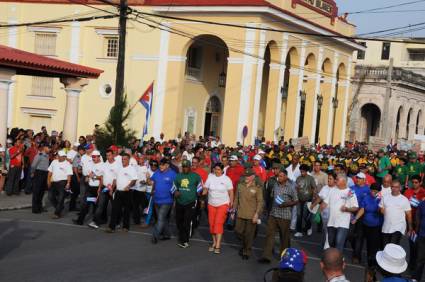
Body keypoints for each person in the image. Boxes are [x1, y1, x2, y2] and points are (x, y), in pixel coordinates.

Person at [258, 169, 298, 264]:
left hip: (285, 216)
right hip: (273, 214)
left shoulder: (291, 187)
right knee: (269, 235)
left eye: (280, 176)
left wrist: (286, 204)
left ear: (285, 177)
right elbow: (272, 197)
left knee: (284, 238)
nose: (278, 178)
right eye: (278, 176)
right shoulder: (275, 185)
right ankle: (266, 256)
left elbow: (296, 200)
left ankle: (285, 257)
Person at [233, 167, 263, 260]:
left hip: (251, 215)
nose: (246, 177)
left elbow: (260, 202)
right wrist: (233, 210)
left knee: (249, 235)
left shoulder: (257, 187)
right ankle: (245, 244)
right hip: (240, 213)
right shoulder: (240, 185)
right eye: (245, 175)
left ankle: (246, 251)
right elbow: (236, 199)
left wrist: (257, 214)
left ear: (253, 177)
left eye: (248, 176)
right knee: (238, 231)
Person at [322, 174, 359, 252]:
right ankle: (335, 257)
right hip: (331, 222)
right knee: (331, 242)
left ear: (344, 181)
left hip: (343, 223)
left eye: (337, 179)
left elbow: (356, 207)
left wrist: (347, 209)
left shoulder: (350, 192)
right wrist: (320, 210)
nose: (335, 180)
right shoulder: (332, 189)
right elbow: (325, 202)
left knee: (339, 242)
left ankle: (338, 260)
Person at [203, 162, 233, 254]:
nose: (216, 171)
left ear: (222, 170)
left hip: (223, 204)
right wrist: (202, 192)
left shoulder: (226, 179)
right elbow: (205, 189)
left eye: (218, 169)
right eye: (215, 169)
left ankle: (218, 245)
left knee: (218, 223)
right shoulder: (210, 177)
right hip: (211, 204)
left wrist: (231, 204)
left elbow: (231, 192)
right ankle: (214, 242)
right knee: (212, 224)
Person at [352, 183, 383, 270]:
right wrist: (356, 218)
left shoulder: (381, 199)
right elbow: (362, 209)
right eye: (372, 190)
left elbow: (380, 211)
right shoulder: (366, 197)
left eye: (376, 191)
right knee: (358, 239)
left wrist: (378, 201)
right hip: (364, 223)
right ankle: (357, 256)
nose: (373, 192)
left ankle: (371, 263)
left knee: (372, 245)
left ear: (379, 192)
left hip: (375, 226)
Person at [173, 160, 201, 248]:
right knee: (178, 221)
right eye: (183, 167)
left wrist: (201, 199)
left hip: (191, 202)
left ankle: (184, 240)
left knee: (186, 221)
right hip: (179, 202)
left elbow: (200, 189)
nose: (184, 168)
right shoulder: (178, 176)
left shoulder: (196, 176)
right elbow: (173, 187)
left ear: (190, 167)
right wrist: (175, 192)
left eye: (186, 167)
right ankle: (182, 235)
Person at [106, 153, 137, 233]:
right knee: (115, 209)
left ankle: (125, 227)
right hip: (118, 192)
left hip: (127, 192)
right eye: (122, 159)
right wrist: (112, 189)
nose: (123, 160)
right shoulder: (119, 168)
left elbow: (134, 180)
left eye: (125, 159)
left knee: (126, 210)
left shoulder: (131, 169)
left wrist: (129, 186)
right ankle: (111, 227)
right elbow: (115, 179)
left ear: (129, 160)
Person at [73, 150, 104, 227]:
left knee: (96, 206)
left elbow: (102, 178)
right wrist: (87, 177)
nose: (93, 158)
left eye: (94, 157)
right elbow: (89, 174)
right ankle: (80, 221)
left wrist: (99, 187)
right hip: (90, 188)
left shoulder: (103, 165)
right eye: (92, 157)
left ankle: (96, 221)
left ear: (99, 157)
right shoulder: (92, 164)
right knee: (85, 204)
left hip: (97, 188)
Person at [150, 158, 177, 243]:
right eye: (160, 165)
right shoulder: (157, 172)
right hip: (156, 200)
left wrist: (175, 199)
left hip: (167, 201)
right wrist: (151, 188)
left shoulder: (173, 174)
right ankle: (167, 234)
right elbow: (153, 181)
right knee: (162, 219)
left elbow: (176, 186)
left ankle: (155, 235)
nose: (160, 166)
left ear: (167, 165)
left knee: (160, 218)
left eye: (162, 165)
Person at [380, 180, 413, 246]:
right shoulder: (385, 197)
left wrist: (410, 227)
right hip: (386, 227)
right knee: (385, 247)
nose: (394, 189)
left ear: (400, 188)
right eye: (393, 187)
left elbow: (409, 215)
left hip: (398, 227)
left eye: (396, 187)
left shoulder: (404, 199)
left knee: (393, 246)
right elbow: (381, 208)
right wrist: (382, 211)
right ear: (390, 187)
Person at [403, 174, 425, 271]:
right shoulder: (408, 191)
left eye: (416, 182)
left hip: (420, 222)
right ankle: (412, 264)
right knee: (412, 243)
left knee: (419, 245)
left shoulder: (424, 193)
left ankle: (417, 265)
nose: (414, 184)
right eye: (413, 182)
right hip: (410, 221)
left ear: (420, 183)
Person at [311, 172, 337, 249]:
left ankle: (329, 246)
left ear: (335, 180)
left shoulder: (338, 189)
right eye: (328, 178)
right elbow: (319, 198)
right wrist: (313, 205)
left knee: (331, 230)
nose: (328, 180)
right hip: (324, 213)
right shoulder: (325, 188)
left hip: (334, 214)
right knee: (325, 229)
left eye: (330, 179)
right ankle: (325, 244)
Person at [94, 149, 119, 227]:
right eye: (107, 155)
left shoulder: (117, 165)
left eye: (109, 155)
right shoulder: (105, 164)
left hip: (113, 188)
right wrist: (99, 187)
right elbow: (102, 177)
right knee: (101, 205)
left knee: (114, 206)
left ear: (113, 155)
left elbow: (115, 179)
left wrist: (112, 188)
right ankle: (98, 221)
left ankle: (116, 222)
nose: (108, 157)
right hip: (104, 188)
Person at [349, 172, 371, 264]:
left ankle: (356, 256)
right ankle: (356, 249)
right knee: (350, 235)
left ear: (364, 180)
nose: (357, 179)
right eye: (357, 178)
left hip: (362, 214)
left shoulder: (368, 189)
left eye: (360, 178)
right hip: (351, 213)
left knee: (359, 236)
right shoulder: (351, 188)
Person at [47, 150, 73, 219]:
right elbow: (49, 172)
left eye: (60, 156)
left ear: (64, 157)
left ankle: (57, 213)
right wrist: (48, 181)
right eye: (58, 156)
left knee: (61, 198)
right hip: (54, 182)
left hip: (63, 182)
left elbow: (69, 175)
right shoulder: (54, 162)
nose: (59, 157)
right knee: (50, 197)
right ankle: (60, 207)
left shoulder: (67, 164)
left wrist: (68, 183)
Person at [294, 164, 317, 237]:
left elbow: (314, 188)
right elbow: (296, 188)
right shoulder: (298, 178)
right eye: (301, 171)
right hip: (299, 199)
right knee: (298, 215)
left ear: (306, 171)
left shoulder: (310, 178)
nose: (302, 173)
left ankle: (308, 227)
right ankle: (299, 231)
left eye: (303, 171)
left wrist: (313, 197)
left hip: (308, 199)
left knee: (305, 215)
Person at [30, 143, 50, 213]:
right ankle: (35, 209)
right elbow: (33, 165)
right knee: (36, 191)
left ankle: (40, 207)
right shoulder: (39, 155)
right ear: (45, 148)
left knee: (42, 192)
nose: (49, 149)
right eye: (48, 148)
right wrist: (32, 173)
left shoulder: (47, 155)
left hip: (45, 174)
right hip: (39, 173)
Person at [413, 198, 425, 281]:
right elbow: (417, 215)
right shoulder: (423, 203)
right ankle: (416, 278)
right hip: (422, 235)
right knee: (420, 258)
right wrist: (417, 229)